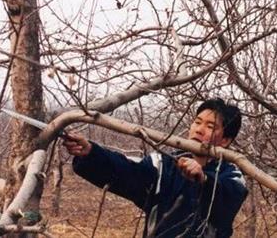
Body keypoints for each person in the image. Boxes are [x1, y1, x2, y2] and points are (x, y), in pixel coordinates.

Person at [63, 98, 247, 237]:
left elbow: (228, 199)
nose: (199, 130)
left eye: (210, 126)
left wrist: (203, 179)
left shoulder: (231, 175)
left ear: (225, 140)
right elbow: (126, 170)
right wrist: (90, 152)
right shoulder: (164, 164)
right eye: (197, 122)